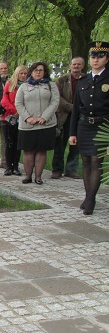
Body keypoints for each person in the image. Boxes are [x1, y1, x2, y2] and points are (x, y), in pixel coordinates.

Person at [69, 41, 109, 215]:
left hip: (102, 126)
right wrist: (72, 133)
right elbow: (76, 108)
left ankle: (91, 199)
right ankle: (88, 195)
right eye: (93, 56)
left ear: (107, 59)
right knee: (85, 161)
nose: (96, 59)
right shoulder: (83, 79)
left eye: (100, 56)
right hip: (84, 125)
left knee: (95, 161)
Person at [15, 62, 60, 185]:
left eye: (41, 70)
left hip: (46, 124)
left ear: (45, 72)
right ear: (31, 72)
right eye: (35, 70)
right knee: (28, 151)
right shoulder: (24, 86)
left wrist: (44, 117)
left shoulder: (51, 85)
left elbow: (55, 102)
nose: (38, 72)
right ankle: (28, 176)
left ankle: (38, 177)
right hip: (28, 125)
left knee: (41, 150)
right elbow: (18, 103)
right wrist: (27, 117)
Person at [52, 56, 85, 179]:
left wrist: (80, 110)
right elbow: (58, 98)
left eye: (79, 64)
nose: (76, 66)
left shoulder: (86, 79)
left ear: (83, 66)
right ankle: (57, 169)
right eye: (74, 64)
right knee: (60, 143)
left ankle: (71, 169)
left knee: (75, 144)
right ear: (70, 66)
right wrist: (72, 108)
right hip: (64, 116)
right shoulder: (61, 80)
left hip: (80, 117)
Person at [0, 65, 29, 176]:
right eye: (21, 73)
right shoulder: (10, 85)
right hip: (9, 117)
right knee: (9, 143)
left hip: (23, 118)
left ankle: (16, 166)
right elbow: (4, 101)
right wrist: (15, 111)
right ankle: (8, 166)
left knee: (18, 143)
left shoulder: (29, 86)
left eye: (25, 74)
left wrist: (21, 112)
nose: (23, 76)